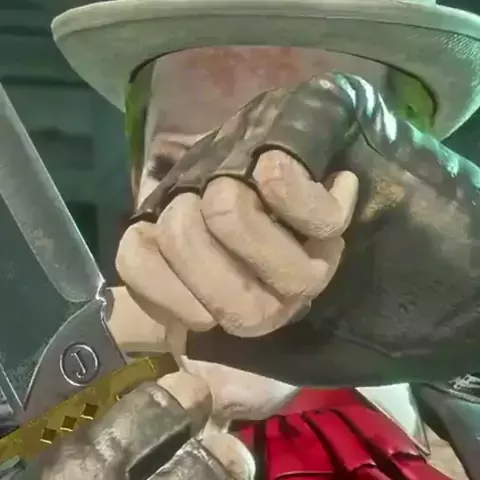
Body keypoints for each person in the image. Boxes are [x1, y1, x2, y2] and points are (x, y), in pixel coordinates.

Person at [3, 0, 480, 478]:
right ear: (135, 183)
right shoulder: (42, 426)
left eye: (306, 173)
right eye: (174, 168)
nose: (227, 224)